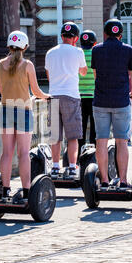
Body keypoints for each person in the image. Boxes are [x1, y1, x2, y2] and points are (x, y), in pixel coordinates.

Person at [0, 31, 50, 203]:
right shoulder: (27, 65)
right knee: (24, 153)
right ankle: (27, 191)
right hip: (23, 111)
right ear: (25, 47)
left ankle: (5, 191)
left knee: (7, 153)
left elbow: (2, 89)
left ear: (8, 46)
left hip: (6, 109)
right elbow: (35, 90)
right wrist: (46, 96)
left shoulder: (0, 64)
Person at [91, 18, 132, 188]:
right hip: (121, 101)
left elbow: (96, 75)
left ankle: (104, 180)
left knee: (101, 141)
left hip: (101, 101)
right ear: (120, 34)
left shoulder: (96, 50)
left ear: (105, 33)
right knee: (121, 141)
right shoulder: (127, 50)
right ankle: (124, 180)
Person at [45, 22, 87, 180]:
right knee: (73, 136)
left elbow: (49, 76)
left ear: (62, 36)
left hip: (54, 96)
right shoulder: (78, 51)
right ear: (75, 38)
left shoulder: (50, 52)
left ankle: (55, 167)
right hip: (71, 96)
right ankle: (71, 168)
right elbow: (83, 72)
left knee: (55, 136)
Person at [78, 30, 98, 152]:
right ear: (94, 43)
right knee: (95, 127)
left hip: (79, 96)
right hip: (94, 96)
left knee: (81, 127)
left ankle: (80, 152)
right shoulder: (97, 54)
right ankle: (93, 152)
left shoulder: (77, 55)